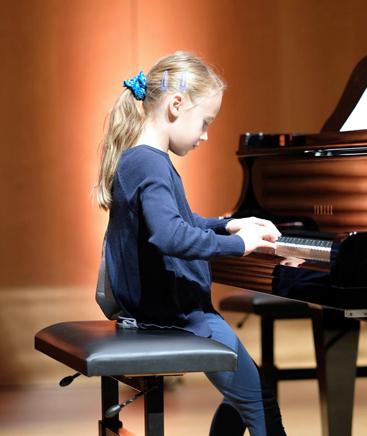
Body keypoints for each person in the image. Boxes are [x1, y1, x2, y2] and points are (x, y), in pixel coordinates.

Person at [95, 51, 287, 436]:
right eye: (205, 122)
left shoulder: (140, 160)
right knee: (259, 399)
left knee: (242, 392)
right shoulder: (149, 163)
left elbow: (181, 222)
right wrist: (241, 246)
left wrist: (229, 225)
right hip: (180, 316)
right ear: (176, 105)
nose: (205, 135)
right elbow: (170, 235)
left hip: (166, 309)